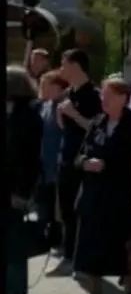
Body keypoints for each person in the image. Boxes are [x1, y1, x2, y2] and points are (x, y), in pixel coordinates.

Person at [72, 77, 131, 294]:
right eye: (102, 96)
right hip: (92, 196)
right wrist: (85, 163)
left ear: (123, 97)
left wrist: (107, 165)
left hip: (119, 198)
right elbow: (78, 156)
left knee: (123, 251)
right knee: (89, 252)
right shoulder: (98, 122)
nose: (104, 100)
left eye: (109, 96)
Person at [51, 49, 103, 276]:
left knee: (77, 209)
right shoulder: (68, 93)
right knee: (65, 209)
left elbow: (95, 128)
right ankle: (68, 254)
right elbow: (66, 128)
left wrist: (73, 114)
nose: (61, 68)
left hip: (82, 161)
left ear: (76, 66)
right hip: (66, 157)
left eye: (64, 63)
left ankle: (77, 258)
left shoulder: (92, 94)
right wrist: (62, 117)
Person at [6, 65, 43, 294]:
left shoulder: (28, 116)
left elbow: (29, 159)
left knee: (14, 243)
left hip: (15, 189)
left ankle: (16, 293)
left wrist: (22, 192)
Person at [35, 70, 69, 254]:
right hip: (44, 162)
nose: (42, 89)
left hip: (56, 161)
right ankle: (44, 236)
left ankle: (57, 238)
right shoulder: (45, 105)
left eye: (45, 85)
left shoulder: (62, 107)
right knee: (44, 203)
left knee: (55, 205)